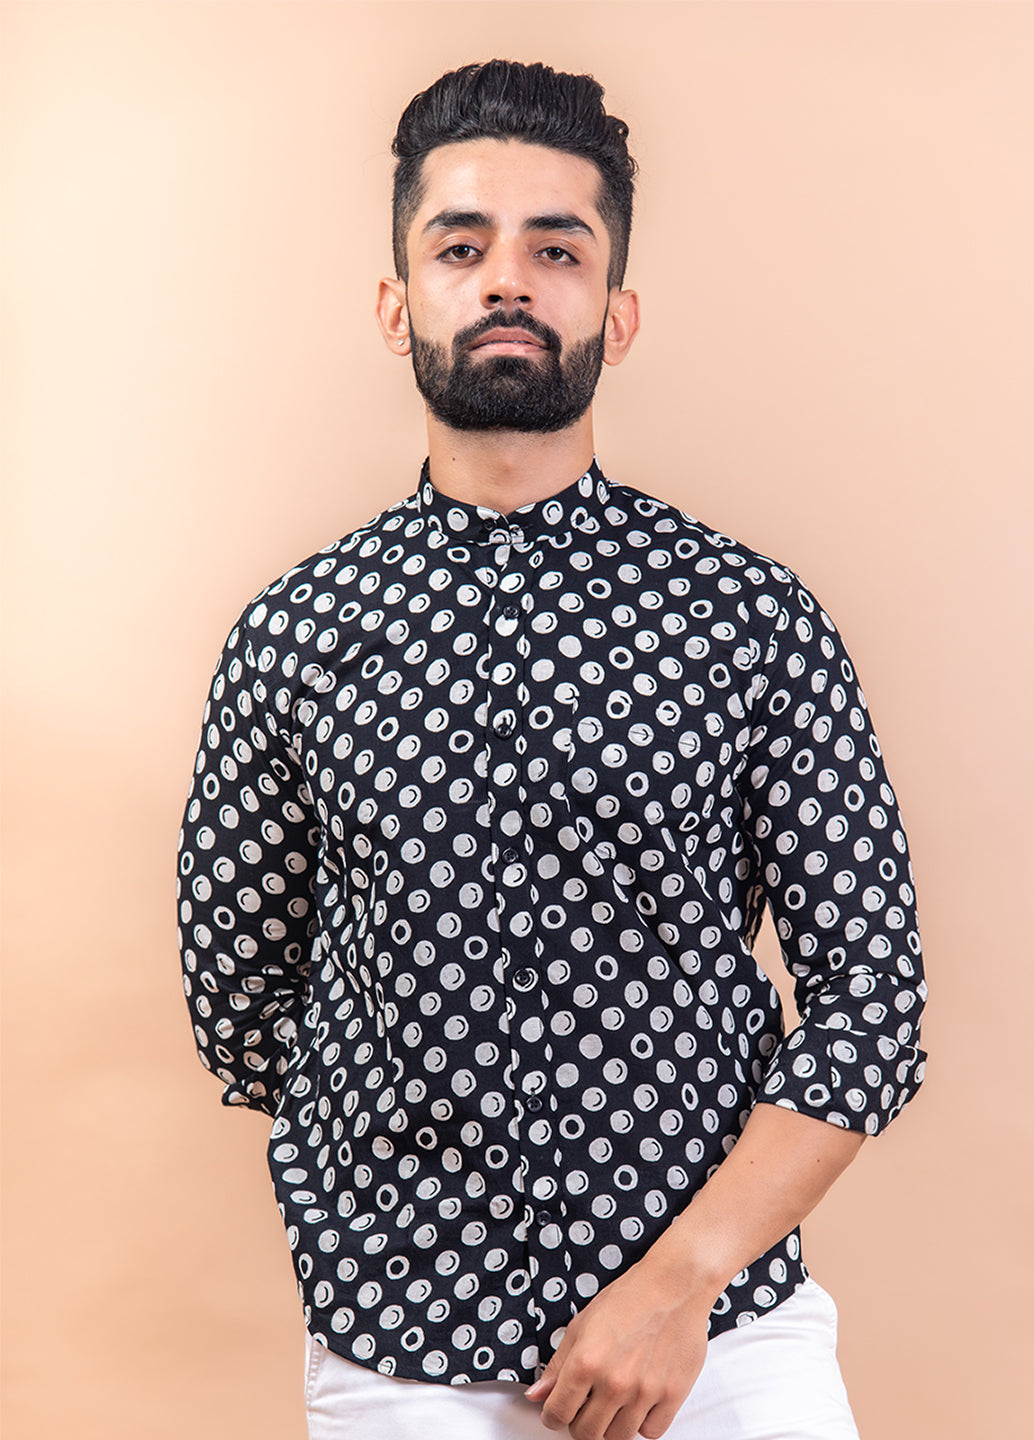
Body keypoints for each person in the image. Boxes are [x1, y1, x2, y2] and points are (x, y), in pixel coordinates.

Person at [177, 60, 927, 1440]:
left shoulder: (748, 616)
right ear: (397, 304)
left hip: (722, 1339)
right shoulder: (294, 636)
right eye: (461, 247)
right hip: (403, 1347)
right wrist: (399, 1184)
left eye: (557, 250)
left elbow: (871, 1002)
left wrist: (677, 1284)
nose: (508, 282)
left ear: (616, 315)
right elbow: (242, 996)